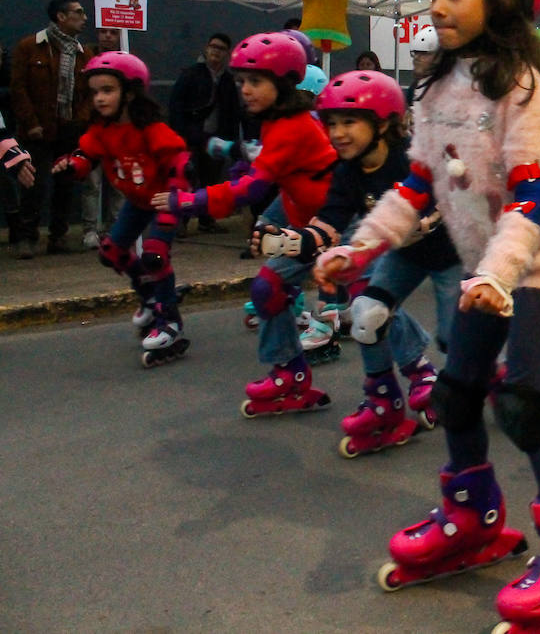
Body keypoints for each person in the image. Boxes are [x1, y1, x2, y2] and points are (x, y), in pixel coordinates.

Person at [313, 0, 540, 631]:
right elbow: (418, 187)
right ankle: (472, 516)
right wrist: (358, 247)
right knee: (455, 396)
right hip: (486, 266)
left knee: (521, 402)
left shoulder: (523, 85)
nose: (439, 6)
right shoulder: (437, 87)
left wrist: (499, 272)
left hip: (539, 261)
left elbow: (536, 195)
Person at [261, 69, 453, 455]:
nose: (337, 133)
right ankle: (384, 402)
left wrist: (432, 217)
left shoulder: (411, 161)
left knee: (457, 342)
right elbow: (330, 221)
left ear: (384, 124)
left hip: (450, 256)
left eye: (349, 122)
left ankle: (492, 375)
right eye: (331, 123)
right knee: (366, 314)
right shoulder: (347, 171)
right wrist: (288, 243)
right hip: (404, 256)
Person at [154, 31, 338, 416]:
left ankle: (417, 374)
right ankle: (290, 373)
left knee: (375, 309)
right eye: (241, 82)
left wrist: (188, 201)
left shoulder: (291, 125)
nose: (246, 90)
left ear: (283, 82)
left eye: (255, 81)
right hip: (301, 214)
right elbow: (272, 170)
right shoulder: (278, 119)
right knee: (269, 287)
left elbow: (249, 191)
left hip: (335, 223)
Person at [56, 51, 192, 366]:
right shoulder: (102, 130)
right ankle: (151, 297)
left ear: (129, 93)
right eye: (95, 92)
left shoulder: (151, 129)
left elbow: (179, 162)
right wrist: (71, 166)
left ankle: (169, 321)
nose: (99, 99)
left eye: (107, 90)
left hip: (163, 199)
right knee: (111, 252)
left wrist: (174, 200)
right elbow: (86, 154)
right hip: (136, 200)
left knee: (155, 254)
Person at [9, 0, 94, 258]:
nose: (84, 17)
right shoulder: (30, 47)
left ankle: (57, 236)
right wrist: (31, 123)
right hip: (39, 128)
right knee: (34, 184)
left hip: (69, 127)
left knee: (65, 184)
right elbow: (18, 88)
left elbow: (89, 93)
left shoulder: (83, 53)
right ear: (61, 16)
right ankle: (26, 237)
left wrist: (79, 120)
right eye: (78, 12)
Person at [169, 32, 240, 235]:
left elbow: (233, 112)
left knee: (211, 181)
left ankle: (206, 220)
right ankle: (180, 222)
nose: (216, 51)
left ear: (227, 53)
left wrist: (231, 140)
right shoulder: (191, 74)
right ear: (206, 48)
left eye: (221, 48)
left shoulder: (227, 80)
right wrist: (181, 134)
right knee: (186, 179)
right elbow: (176, 105)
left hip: (216, 138)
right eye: (213, 47)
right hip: (191, 135)